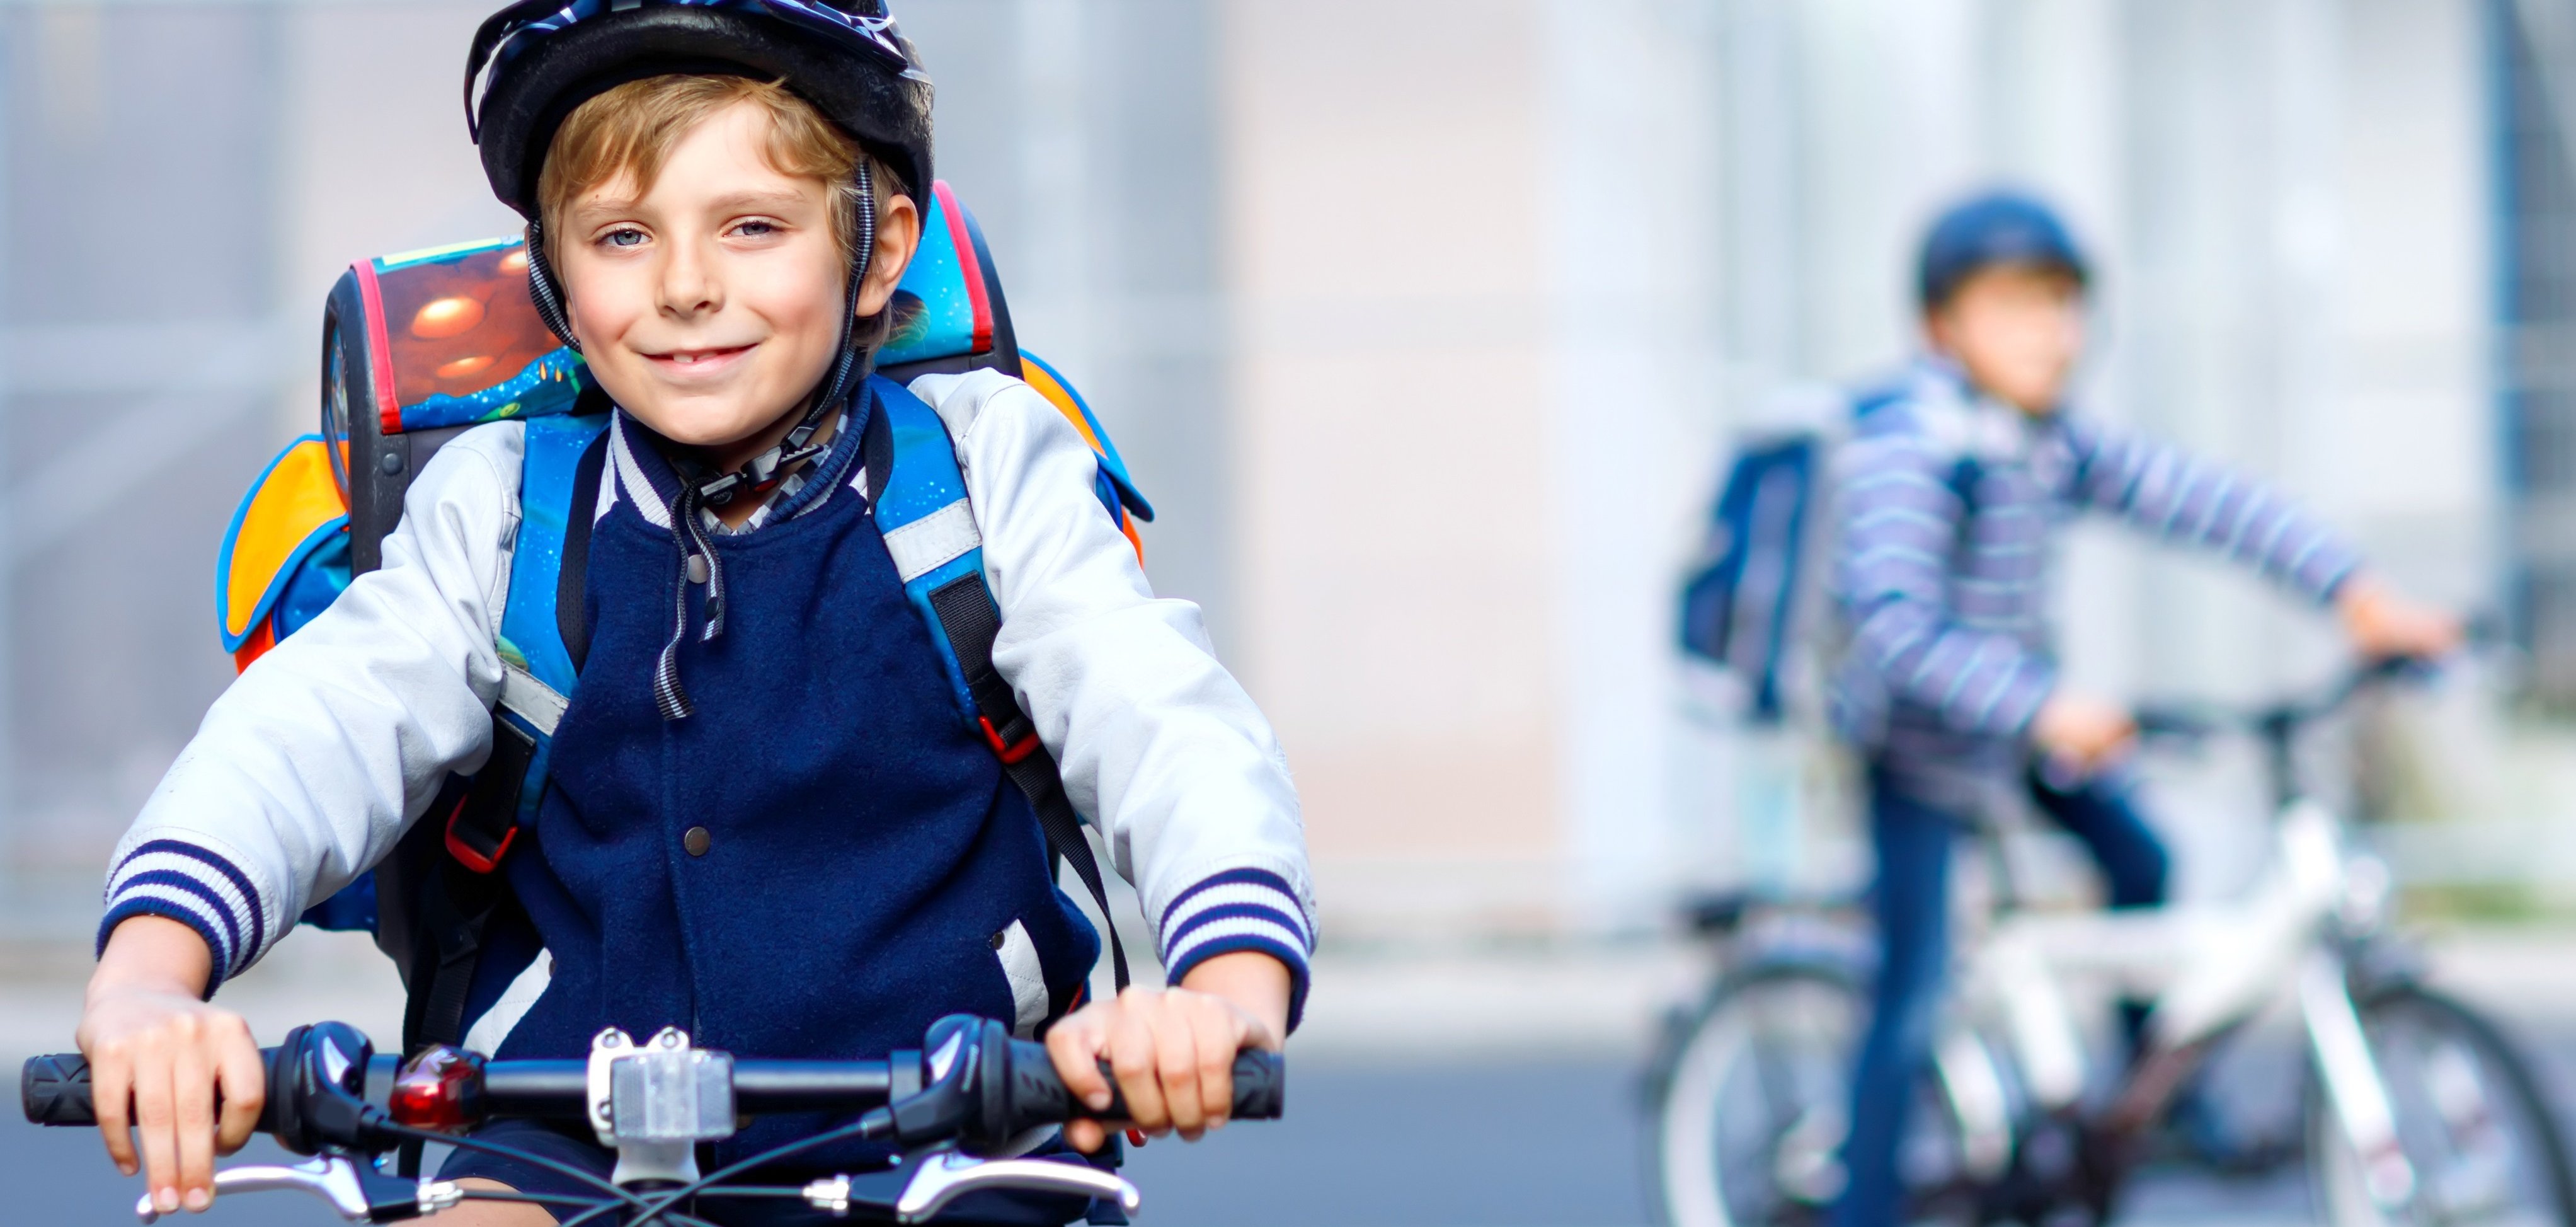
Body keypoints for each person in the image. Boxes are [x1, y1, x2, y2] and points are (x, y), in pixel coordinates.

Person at [72, 3, 1314, 1222]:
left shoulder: (984, 475)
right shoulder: (504, 508)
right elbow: (311, 730)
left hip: (942, 1136)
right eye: (619, 236)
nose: (682, 286)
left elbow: (1154, 708)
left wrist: (1218, 989)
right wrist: (148, 981)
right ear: (554, 272)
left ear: (878, 250)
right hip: (555, 1145)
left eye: (753, 225)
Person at [1826, 190, 2458, 1227]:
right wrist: (2040, 706)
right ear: (1942, 327)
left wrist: (2355, 593)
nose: (2048, 335)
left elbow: (2205, 502)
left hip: (2017, 731)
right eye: (2013, 309)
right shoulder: (1910, 445)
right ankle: (1861, 1209)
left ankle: (2145, 1100)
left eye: (2062, 307)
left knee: (2142, 866)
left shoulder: (2043, 440)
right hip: (1922, 747)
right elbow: (1891, 627)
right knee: (1911, 994)